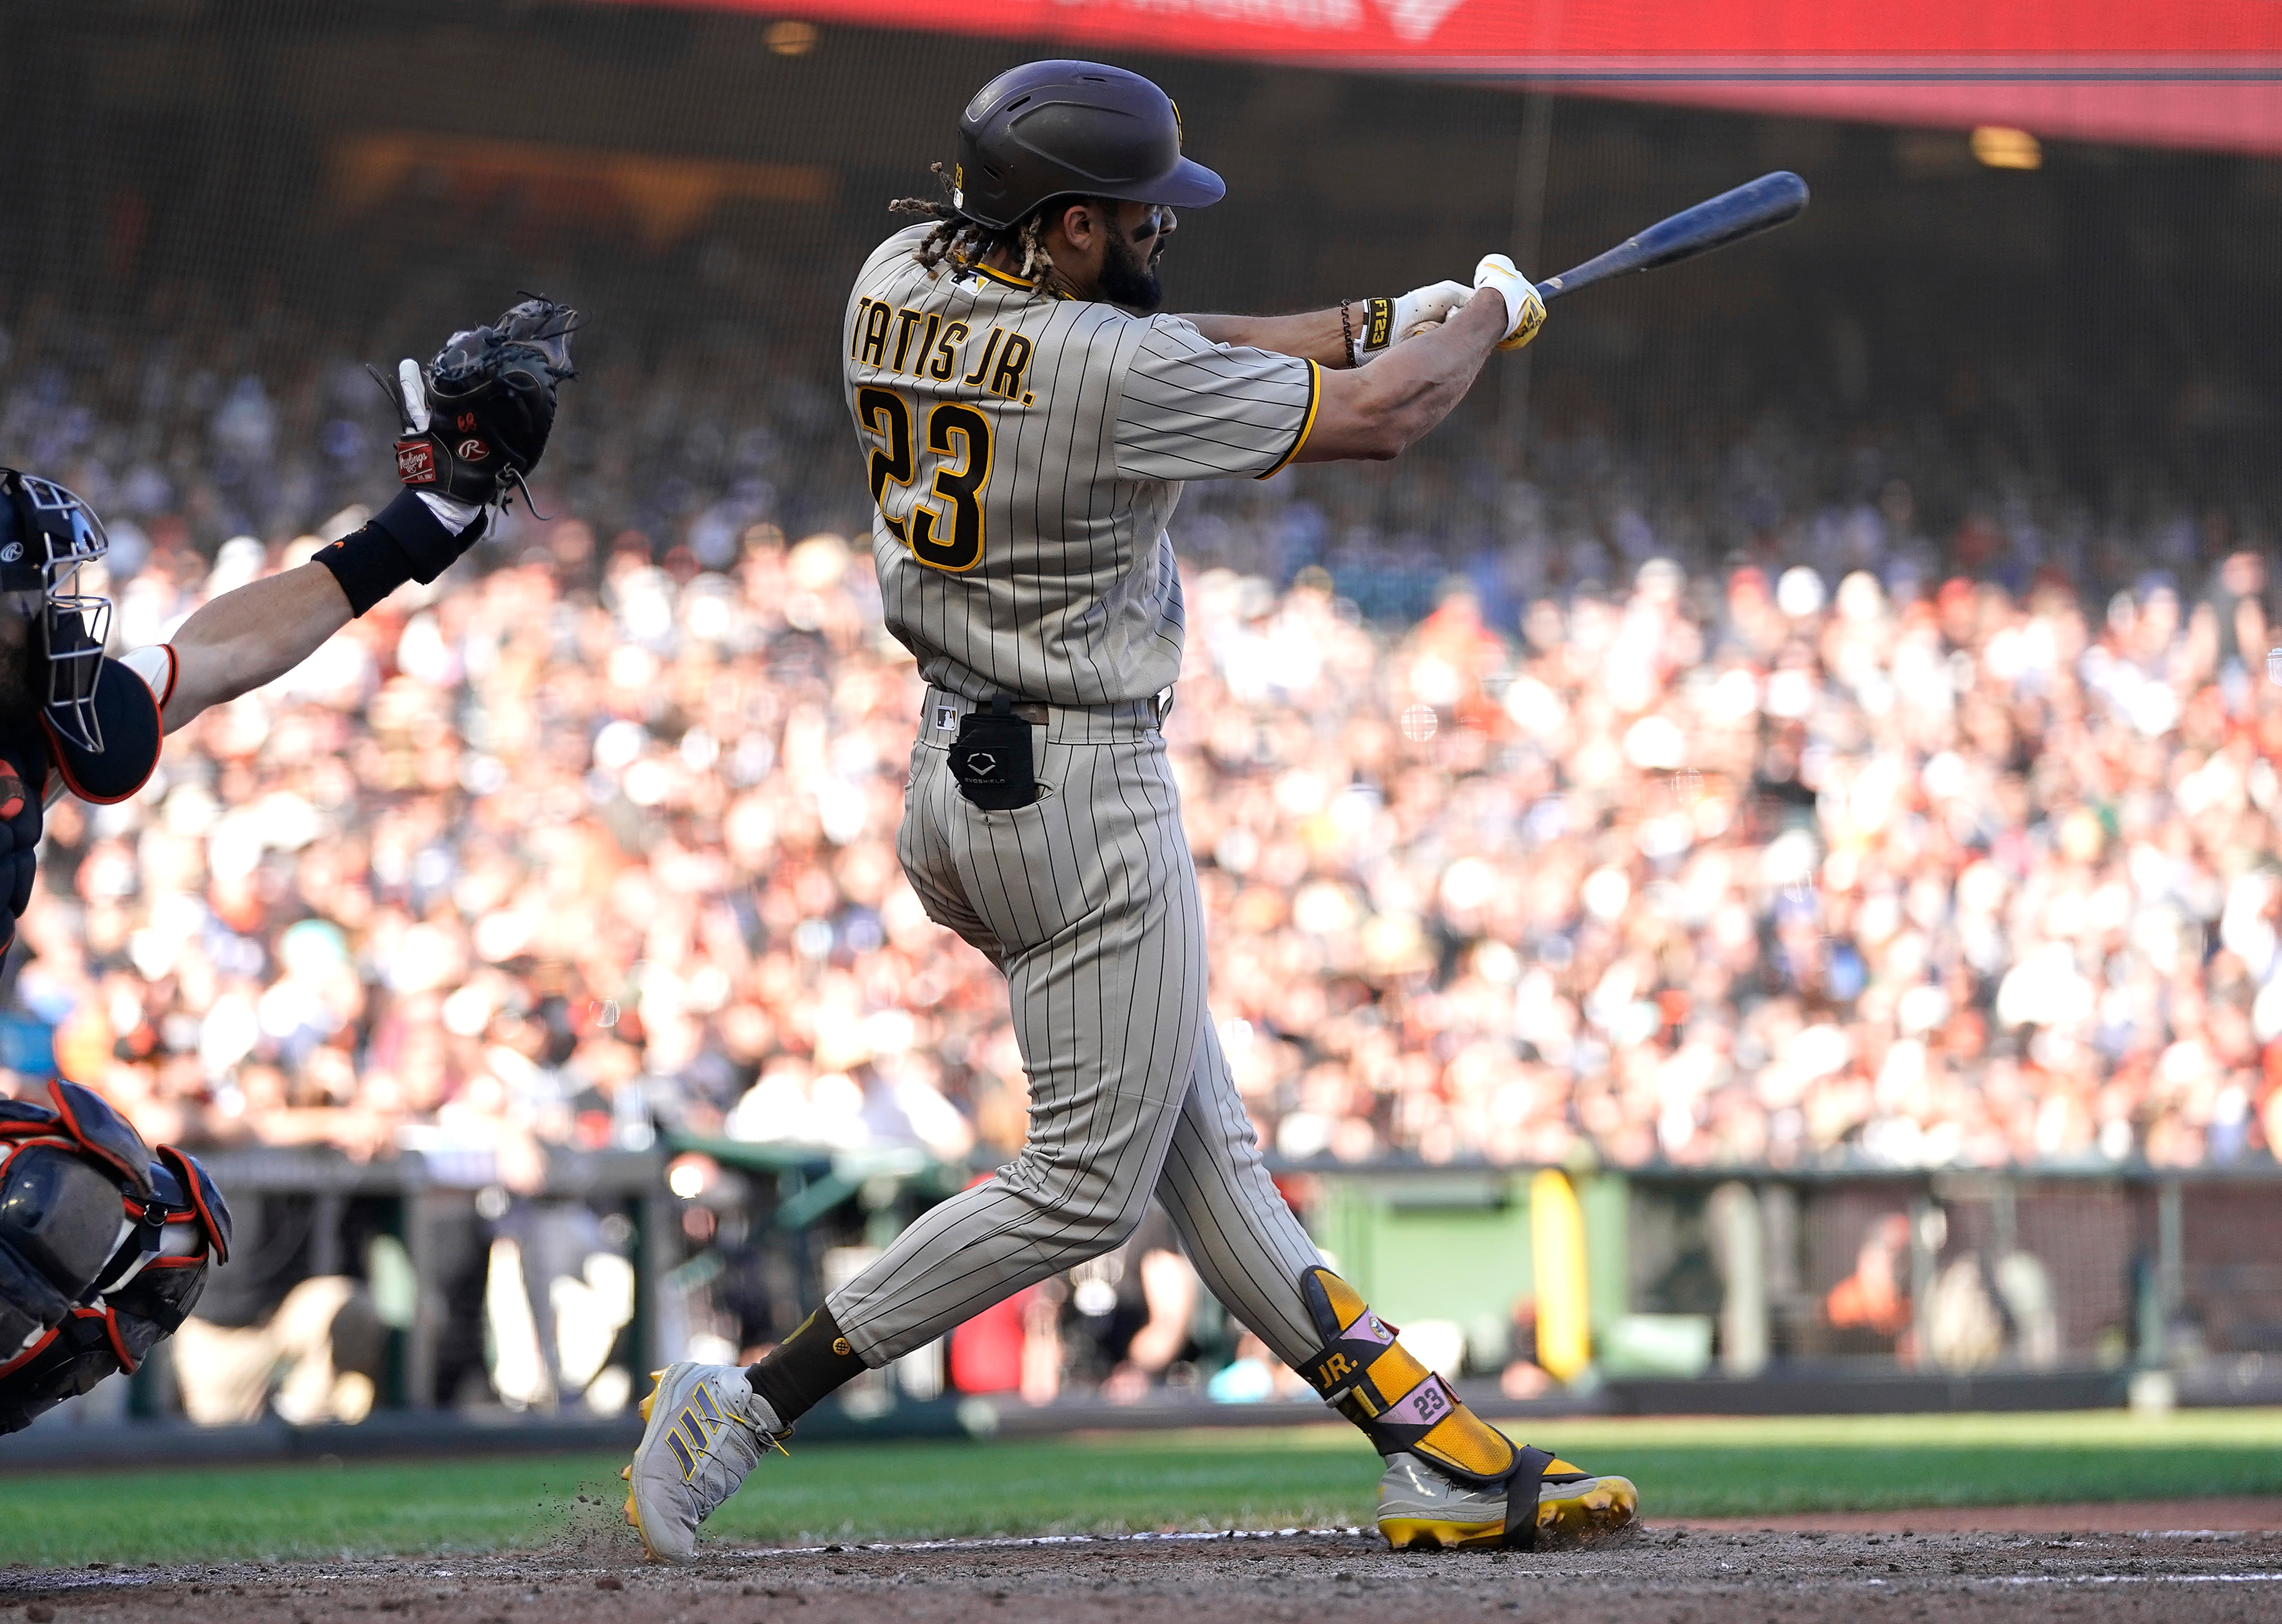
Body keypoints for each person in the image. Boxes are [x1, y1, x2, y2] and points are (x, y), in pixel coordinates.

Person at [624, 60, 1635, 1559]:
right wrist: (1487, 314)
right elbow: (1383, 420)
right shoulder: (1103, 367)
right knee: (1087, 1188)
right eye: (1142, 217)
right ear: (1074, 225)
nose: (1166, 233)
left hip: (958, 777)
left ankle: (1433, 1447)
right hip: (1084, 788)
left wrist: (1367, 319)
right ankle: (749, 1402)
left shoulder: (895, 272)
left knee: (1203, 1156)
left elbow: (1156, 343)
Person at [0, 296, 579, 1436]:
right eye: (33, 603)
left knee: (146, 1220)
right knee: (54, 1196)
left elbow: (218, 651)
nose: (64, 621)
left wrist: (426, 518)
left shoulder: (42, 727)